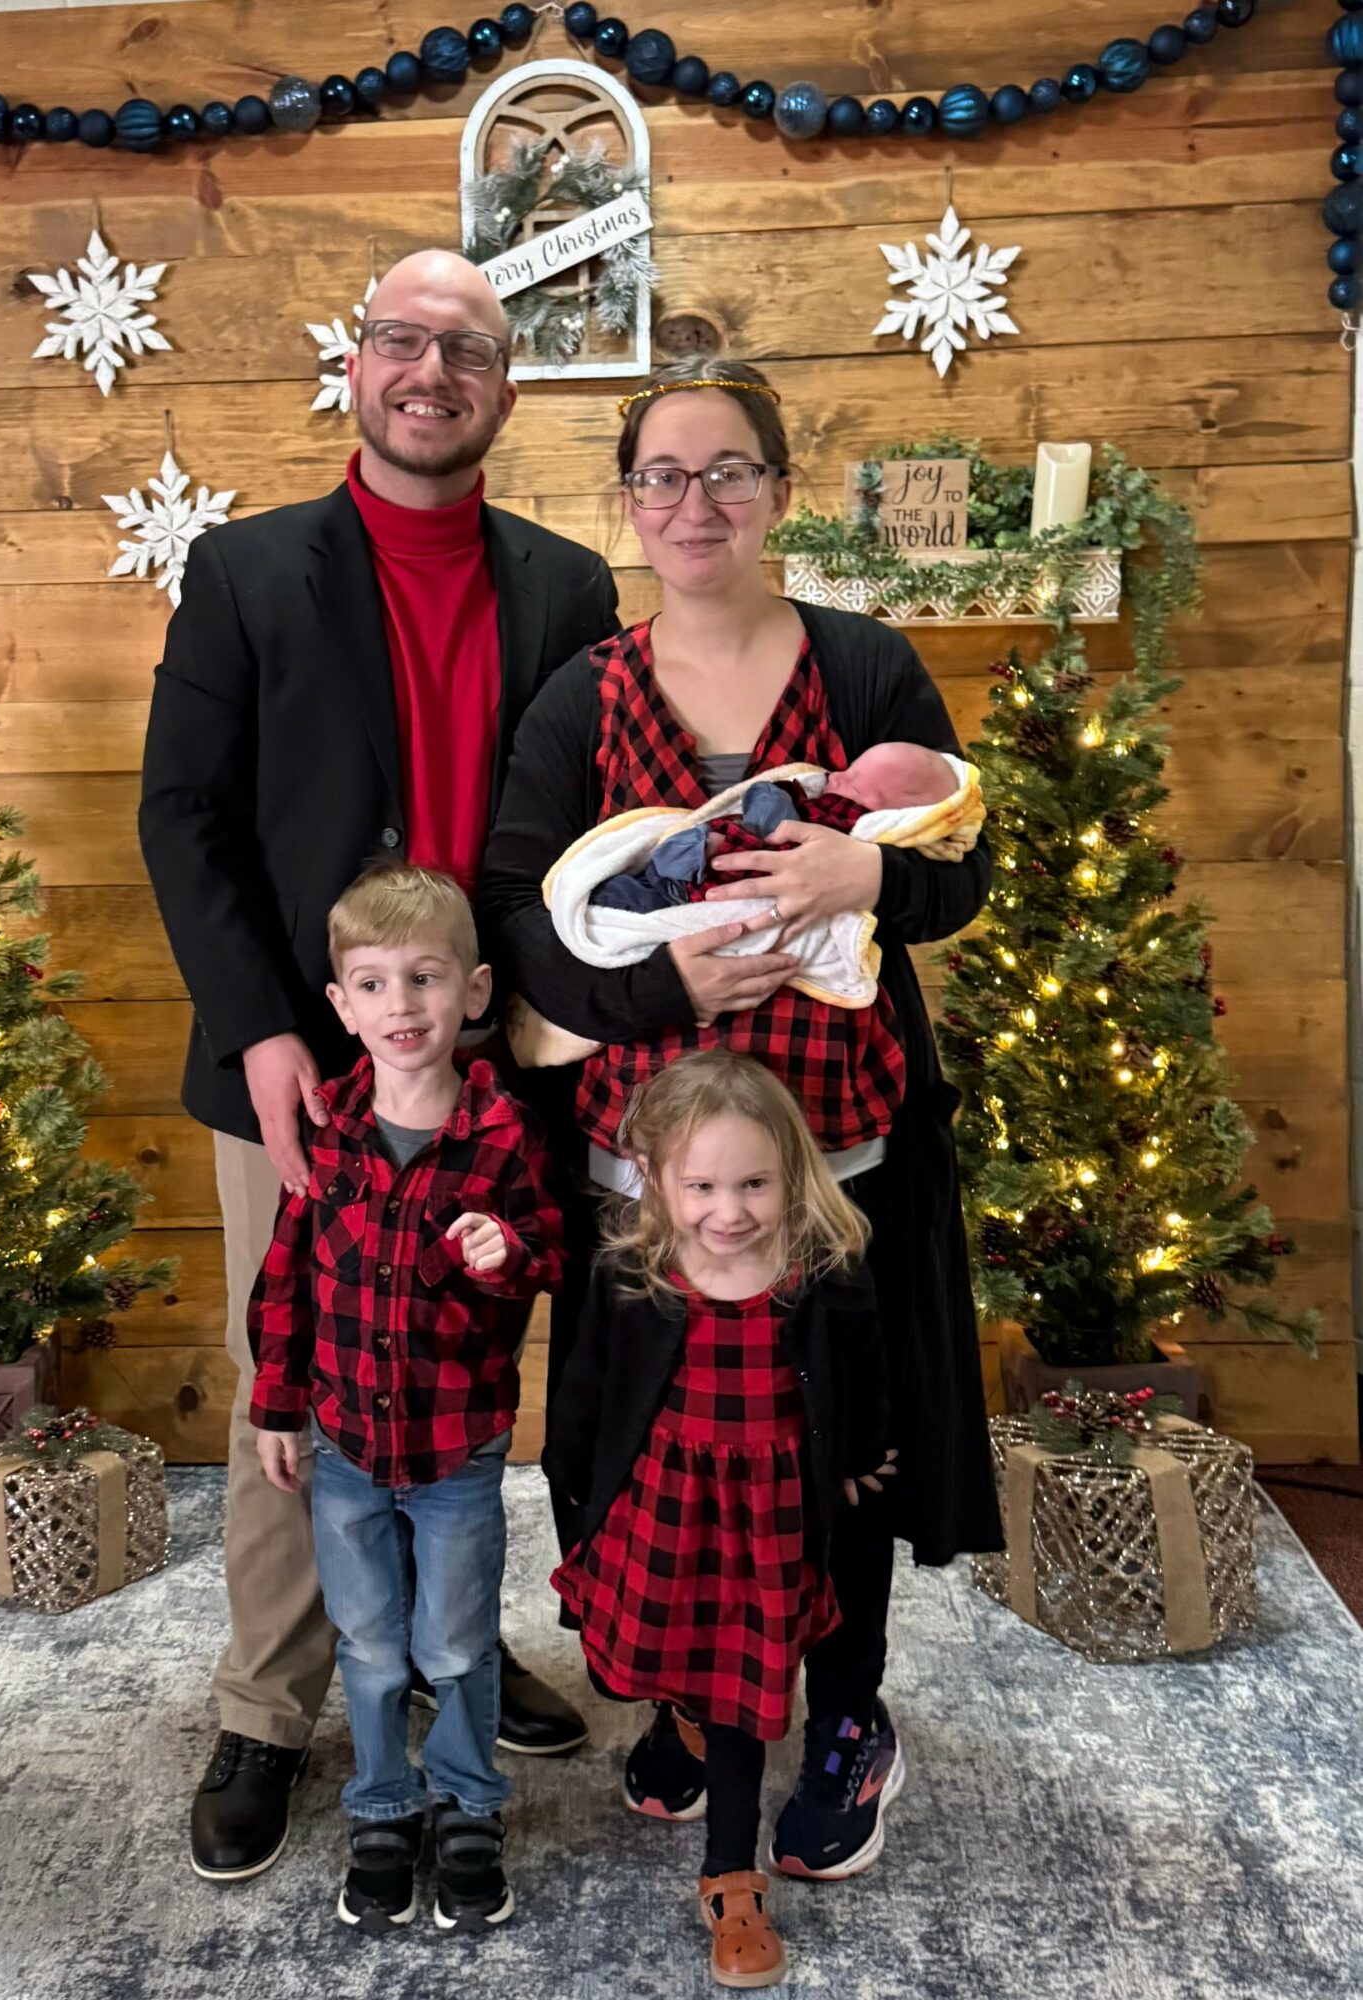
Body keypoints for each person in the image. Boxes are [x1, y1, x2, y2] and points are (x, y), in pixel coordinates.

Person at [479, 355, 1003, 1879]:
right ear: (626, 504)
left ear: (777, 490)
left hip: (834, 1161)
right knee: (642, 1444)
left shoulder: (860, 666)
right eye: (661, 476)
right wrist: (663, 998)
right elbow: (519, 909)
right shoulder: (579, 693)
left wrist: (871, 881)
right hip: (638, 1163)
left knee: (830, 1447)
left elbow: (959, 863)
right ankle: (689, 1703)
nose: (692, 502)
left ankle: (841, 1711)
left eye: (725, 472)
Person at [139, 247, 613, 1884]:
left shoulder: (566, 587)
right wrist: (266, 1027)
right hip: (301, 1068)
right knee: (304, 1383)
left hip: (494, 1079)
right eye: (404, 342)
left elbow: (592, 837)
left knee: (467, 1379)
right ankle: (269, 1708)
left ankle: (448, 1660)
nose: (433, 372)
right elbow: (181, 813)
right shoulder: (249, 571)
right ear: (355, 365)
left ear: (504, 386)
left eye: (468, 349)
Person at [250, 864, 562, 1932]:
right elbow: (285, 1280)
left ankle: (469, 1803)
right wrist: (276, 1405)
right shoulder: (327, 1130)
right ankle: (384, 1804)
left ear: (473, 992)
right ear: (341, 1006)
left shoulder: (504, 1134)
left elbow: (548, 1253)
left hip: (458, 1453)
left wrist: (504, 1249)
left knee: (457, 1644)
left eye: (425, 979)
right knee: (371, 1640)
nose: (402, 1007)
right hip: (342, 1447)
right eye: (375, 985)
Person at [546, 1049, 893, 1989]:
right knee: (664, 1653)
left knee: (741, 1688)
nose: (727, 1210)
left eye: (752, 1183)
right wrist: (576, 1502)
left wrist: (861, 1457)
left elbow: (862, 1382)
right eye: (700, 1184)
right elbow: (584, 1397)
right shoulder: (635, 1276)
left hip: (769, 1526)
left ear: (792, 1175)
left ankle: (729, 1878)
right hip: (659, 1514)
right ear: (655, 1179)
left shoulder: (822, 1277)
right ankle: (683, 1719)